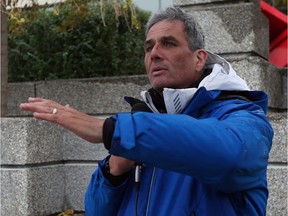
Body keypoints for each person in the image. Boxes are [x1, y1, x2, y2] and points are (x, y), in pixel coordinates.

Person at [20, 6, 273, 216]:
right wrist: (114, 171)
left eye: (168, 43)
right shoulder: (142, 121)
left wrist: (111, 130)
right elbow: (95, 210)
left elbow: (229, 156)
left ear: (199, 58)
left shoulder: (244, 116)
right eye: (148, 47)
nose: (155, 54)